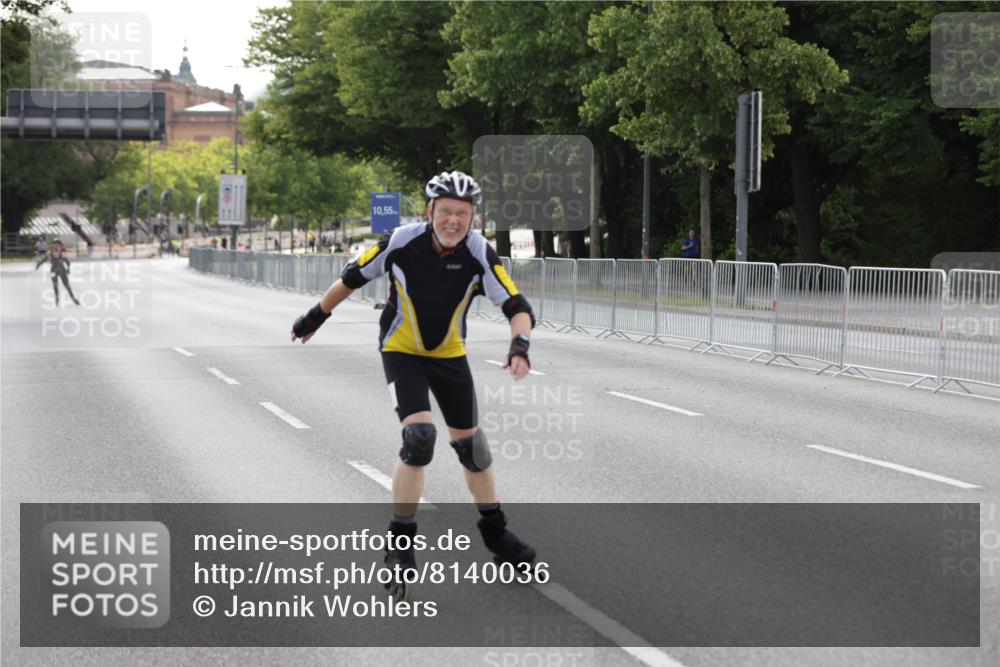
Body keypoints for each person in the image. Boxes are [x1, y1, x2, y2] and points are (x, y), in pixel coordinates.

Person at [290, 170, 536, 601]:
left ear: (472, 217)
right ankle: (400, 543)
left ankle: (496, 535)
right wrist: (316, 315)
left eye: (462, 214)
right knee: (419, 438)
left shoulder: (479, 252)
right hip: (401, 352)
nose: (454, 221)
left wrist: (520, 345)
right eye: (446, 212)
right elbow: (353, 276)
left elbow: (516, 305)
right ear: (430, 212)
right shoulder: (402, 241)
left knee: (473, 449)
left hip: (449, 357)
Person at [35, 239, 79, 306]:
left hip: (62, 270)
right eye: (55, 244)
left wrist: (68, 269)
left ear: (61, 246)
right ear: (53, 246)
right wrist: (38, 265)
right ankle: (57, 299)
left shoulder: (62, 254)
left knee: (67, 285)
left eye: (58, 245)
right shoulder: (50, 254)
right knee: (55, 284)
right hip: (53, 270)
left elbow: (68, 262)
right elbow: (43, 260)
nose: (57, 246)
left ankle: (73, 299)